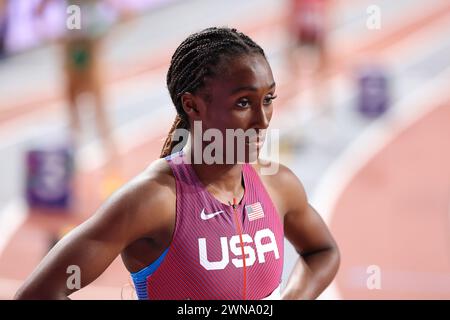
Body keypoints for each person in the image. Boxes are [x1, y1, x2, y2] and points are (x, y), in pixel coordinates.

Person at [14, 27, 340, 300]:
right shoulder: (155, 200)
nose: (263, 120)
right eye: (244, 103)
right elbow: (38, 293)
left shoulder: (277, 185)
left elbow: (323, 252)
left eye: (268, 99)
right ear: (192, 105)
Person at [34, 0, 122, 196]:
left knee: (94, 119)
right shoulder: (77, 11)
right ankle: (80, 182)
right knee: (85, 120)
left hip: (82, 50)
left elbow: (125, 13)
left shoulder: (79, 10)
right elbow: (39, 11)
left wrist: (99, 39)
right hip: (78, 50)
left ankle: (110, 176)